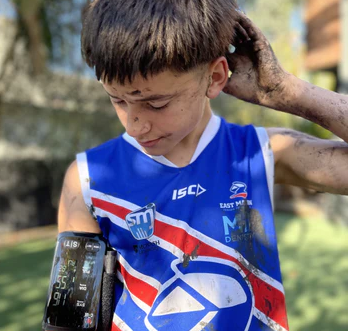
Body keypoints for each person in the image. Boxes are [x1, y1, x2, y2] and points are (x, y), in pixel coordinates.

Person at [58, 1, 348, 330]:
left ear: (215, 77)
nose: (135, 124)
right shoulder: (86, 179)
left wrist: (283, 90)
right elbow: (69, 319)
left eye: (156, 103)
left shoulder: (261, 152)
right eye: (118, 99)